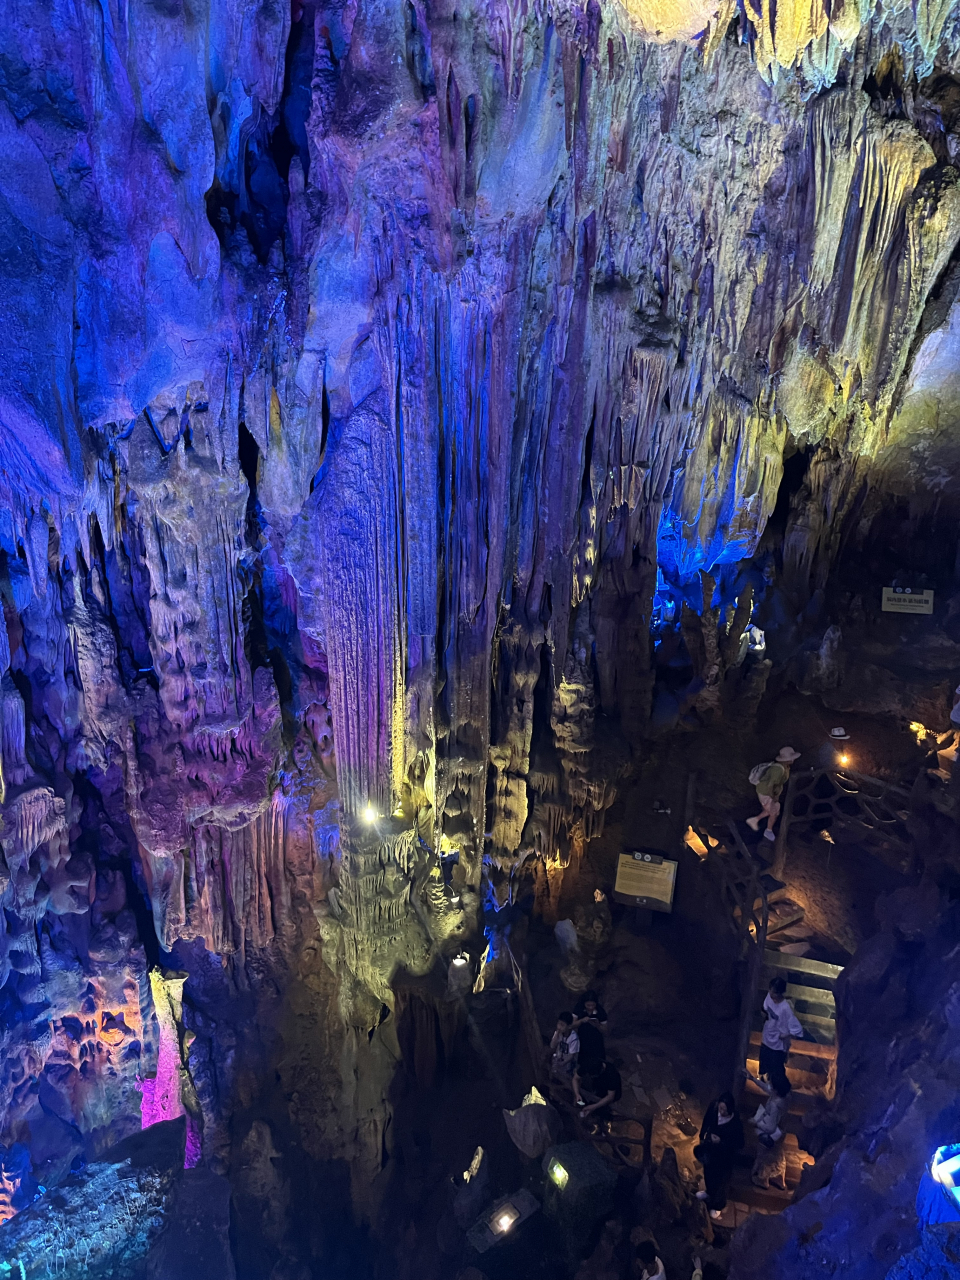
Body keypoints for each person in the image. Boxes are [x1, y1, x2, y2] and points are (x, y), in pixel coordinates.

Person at [693, 1092, 744, 1217]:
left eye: (724, 1110)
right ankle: (708, 1192)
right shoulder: (714, 1107)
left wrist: (721, 1142)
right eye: (720, 1108)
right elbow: (707, 1120)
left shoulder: (735, 1123)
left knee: (721, 1181)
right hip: (711, 1149)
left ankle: (718, 1205)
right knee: (708, 1172)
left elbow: (739, 1144)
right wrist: (702, 1136)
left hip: (724, 1156)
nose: (721, 1111)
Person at [746, 1072, 791, 1189]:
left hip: (770, 1133)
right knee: (777, 1155)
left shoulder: (775, 1105)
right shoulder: (785, 1097)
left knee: (764, 1157)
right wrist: (751, 1078)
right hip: (780, 1132)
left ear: (776, 1089)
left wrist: (756, 1122)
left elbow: (770, 1127)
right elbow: (767, 1088)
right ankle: (779, 1179)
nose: (769, 1085)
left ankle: (762, 1178)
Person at [746, 747, 800, 841]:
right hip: (765, 792)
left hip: (772, 792)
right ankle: (768, 831)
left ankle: (755, 820)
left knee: (772, 811)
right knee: (774, 812)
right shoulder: (778, 770)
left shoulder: (785, 767)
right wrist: (773, 797)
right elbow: (770, 785)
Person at [759, 976, 802, 1085]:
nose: (771, 993)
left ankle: (778, 1087)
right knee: (764, 1061)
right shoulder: (769, 997)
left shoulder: (785, 1008)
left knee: (777, 1067)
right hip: (767, 1036)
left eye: (773, 992)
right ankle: (764, 1081)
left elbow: (797, 1029)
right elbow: (765, 1009)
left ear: (779, 993)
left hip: (778, 1044)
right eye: (770, 990)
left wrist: (785, 1035)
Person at [549, 1012, 579, 1080]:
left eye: (562, 1025)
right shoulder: (558, 1033)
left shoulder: (574, 1038)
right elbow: (552, 1045)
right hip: (559, 1060)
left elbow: (571, 1056)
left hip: (569, 1065)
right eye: (558, 1024)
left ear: (569, 1026)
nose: (559, 1027)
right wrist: (556, 1034)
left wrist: (562, 1063)